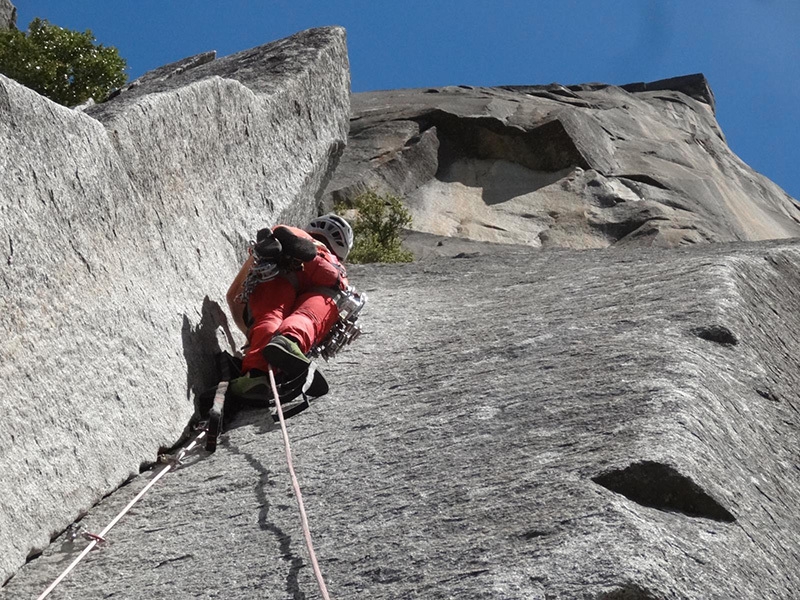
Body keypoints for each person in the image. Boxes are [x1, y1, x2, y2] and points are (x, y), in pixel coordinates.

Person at [224, 213, 354, 399]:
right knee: (309, 316)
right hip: (327, 271)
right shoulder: (333, 259)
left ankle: (256, 375)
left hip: (284, 261)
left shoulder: (296, 235)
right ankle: (289, 341)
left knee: (269, 316)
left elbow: (233, 295)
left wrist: (249, 333)